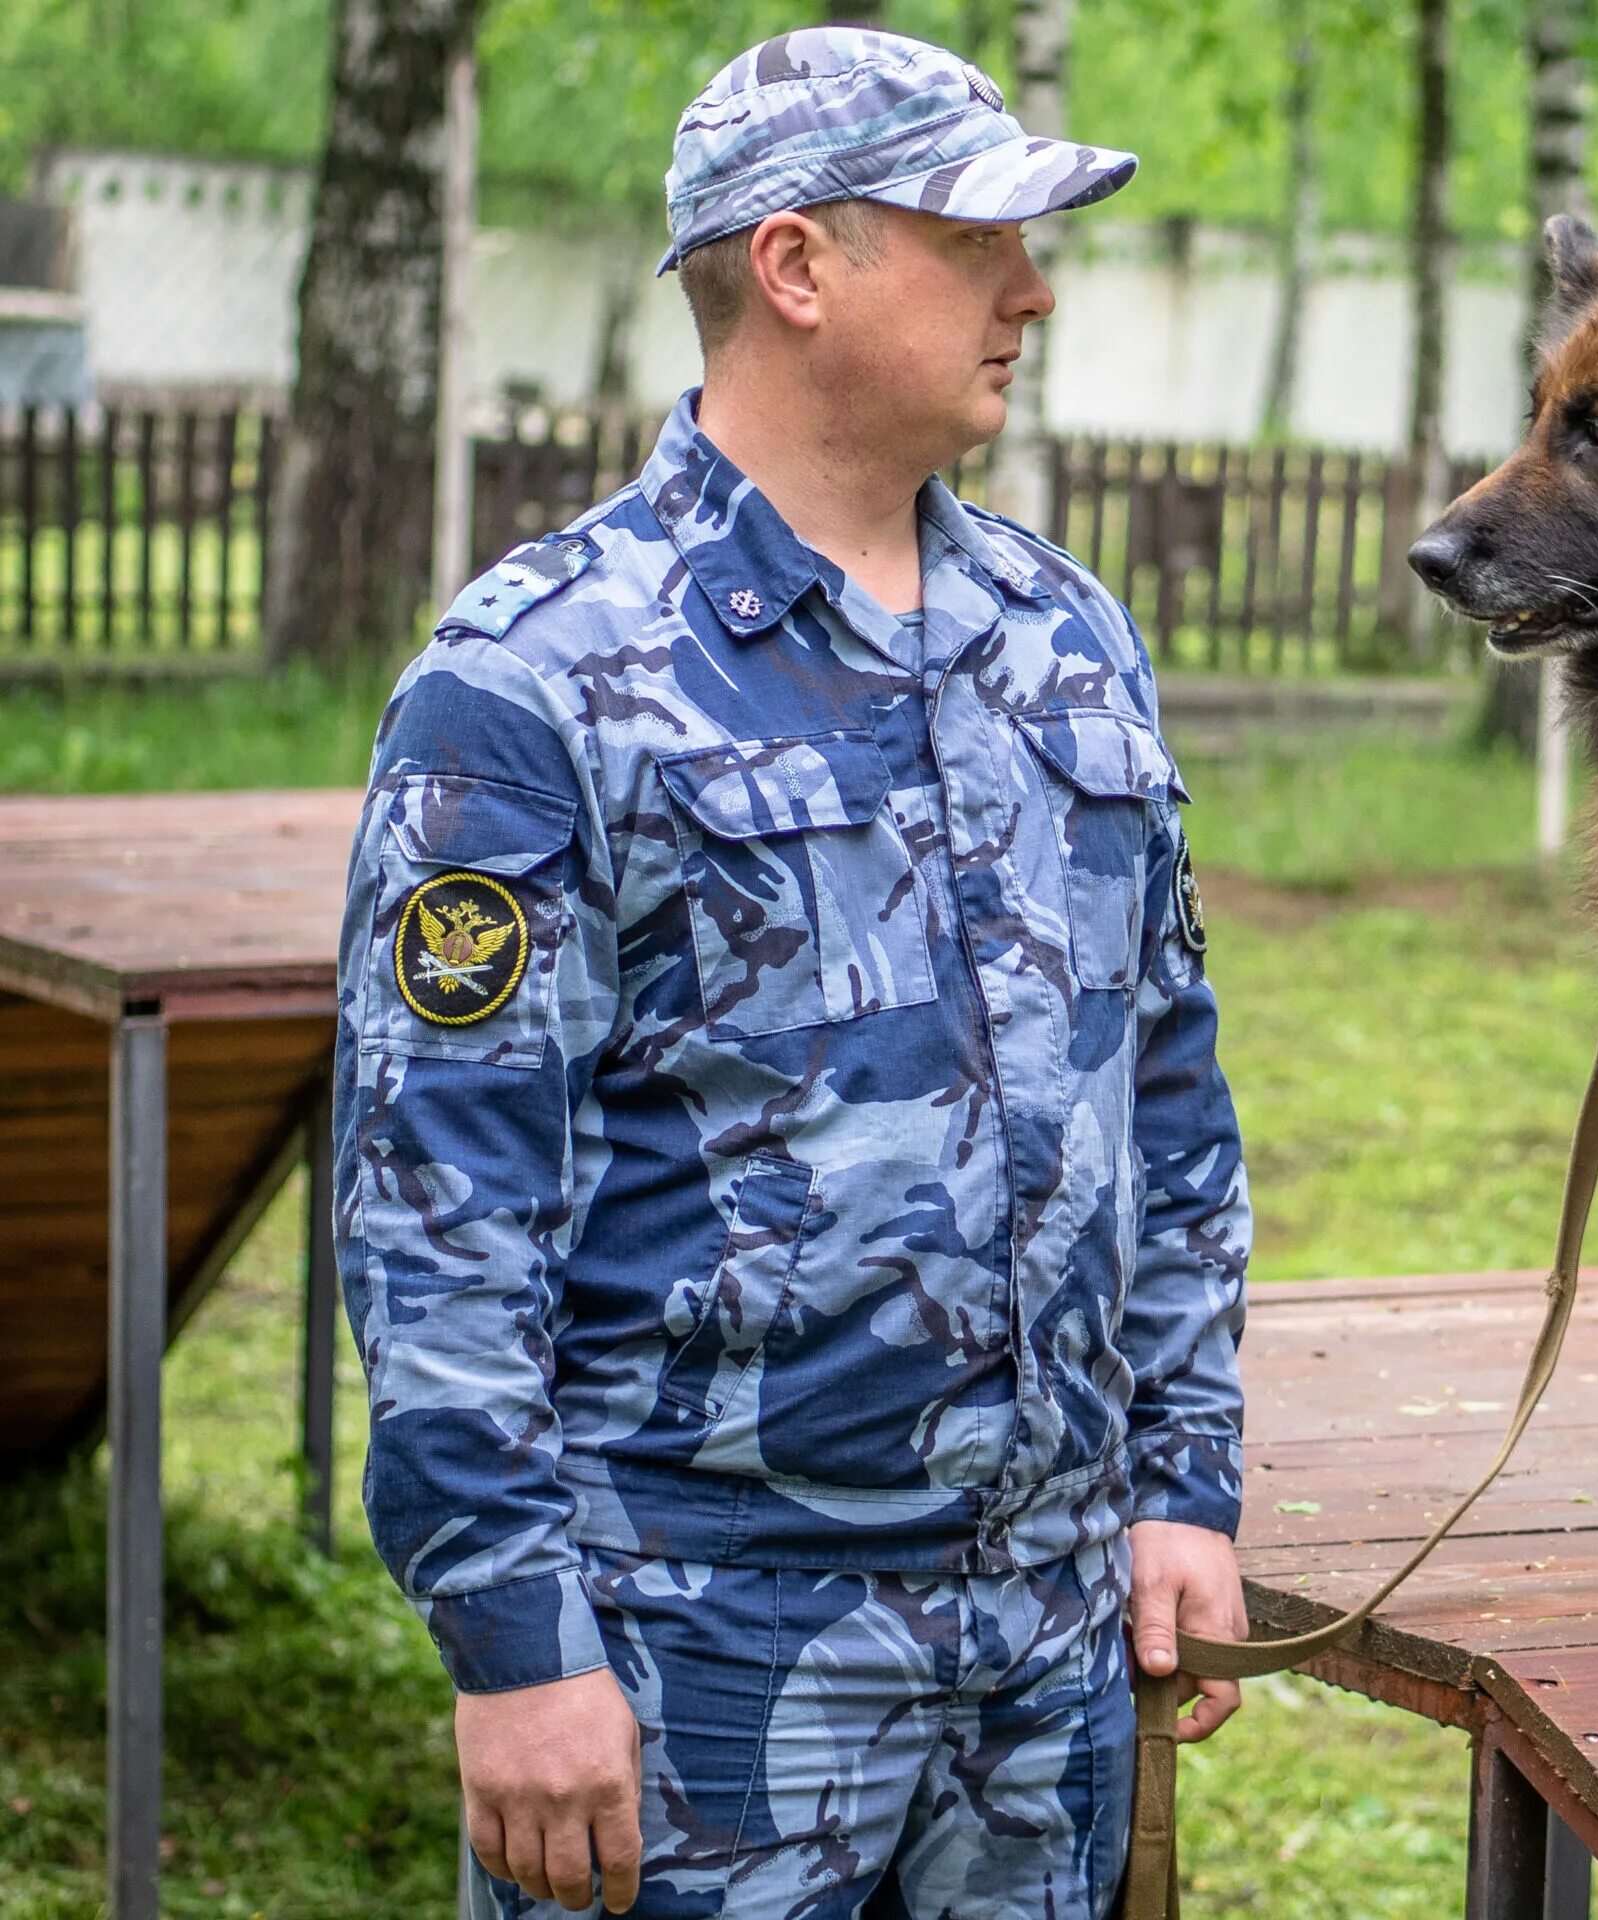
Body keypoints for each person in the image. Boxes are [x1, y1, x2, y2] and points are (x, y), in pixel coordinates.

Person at [331, 29, 1252, 1917]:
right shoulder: (538, 680)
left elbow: (1165, 1092)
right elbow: (439, 1207)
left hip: (1045, 1638)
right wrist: (515, 1642)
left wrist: (1183, 1476)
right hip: (699, 1643)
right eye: (977, 236)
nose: (1034, 286)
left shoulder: (1064, 638)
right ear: (798, 266)